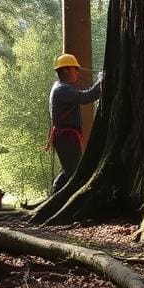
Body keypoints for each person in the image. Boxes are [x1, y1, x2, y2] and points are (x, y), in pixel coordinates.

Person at [48, 53, 102, 194]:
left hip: (65, 137)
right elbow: (87, 97)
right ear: (66, 70)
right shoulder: (62, 89)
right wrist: (102, 82)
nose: (77, 72)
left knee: (69, 171)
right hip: (66, 138)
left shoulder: (60, 87)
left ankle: (54, 198)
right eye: (75, 69)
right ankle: (57, 199)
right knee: (74, 172)